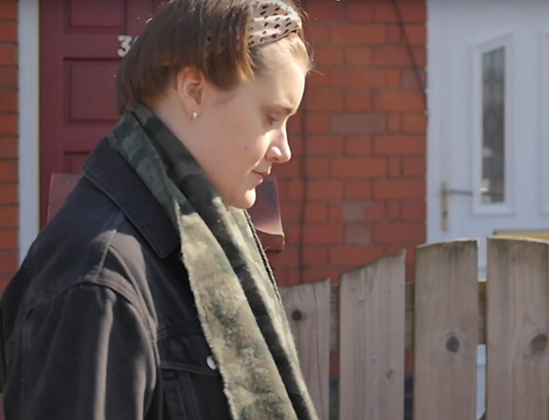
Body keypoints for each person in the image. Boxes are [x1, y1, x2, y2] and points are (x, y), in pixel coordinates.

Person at [0, 0, 319, 419]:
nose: (284, 150)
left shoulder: (199, 237)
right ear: (194, 91)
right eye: (271, 117)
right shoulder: (98, 280)